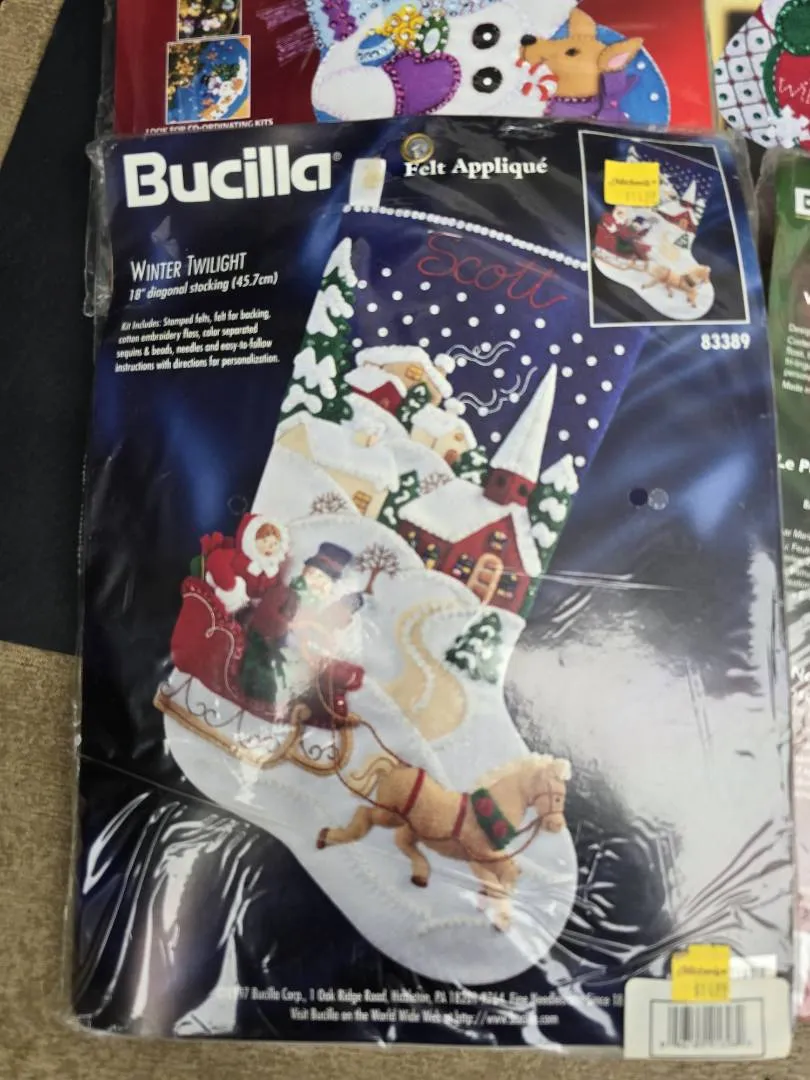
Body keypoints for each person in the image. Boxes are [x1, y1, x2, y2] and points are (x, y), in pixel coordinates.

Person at [240, 543, 364, 706]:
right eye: (316, 576)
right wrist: (288, 632)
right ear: (305, 572)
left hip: (296, 655)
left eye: (326, 581)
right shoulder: (285, 593)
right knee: (272, 678)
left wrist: (340, 612)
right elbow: (267, 620)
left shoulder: (315, 606)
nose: (320, 584)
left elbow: (318, 627)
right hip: (265, 649)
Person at [203, 513, 289, 615]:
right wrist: (230, 583)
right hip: (232, 600)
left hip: (252, 608)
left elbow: (275, 588)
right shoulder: (240, 557)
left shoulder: (273, 570)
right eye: (265, 541)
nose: (270, 547)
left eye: (274, 544)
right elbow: (216, 559)